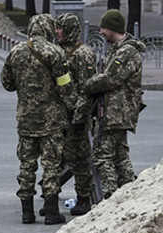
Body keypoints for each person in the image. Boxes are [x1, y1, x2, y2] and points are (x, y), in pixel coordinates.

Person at [0, 14, 73, 225]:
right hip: (52, 121)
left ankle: (27, 212)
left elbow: (7, 83)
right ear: (49, 28)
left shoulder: (16, 52)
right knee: (51, 165)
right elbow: (65, 86)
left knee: (26, 164)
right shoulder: (55, 52)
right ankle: (51, 211)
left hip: (26, 119)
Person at [84, 9, 145, 200]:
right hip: (117, 112)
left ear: (113, 28)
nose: (101, 32)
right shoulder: (119, 49)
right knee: (120, 157)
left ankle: (111, 199)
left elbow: (110, 79)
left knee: (103, 157)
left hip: (114, 113)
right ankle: (129, 197)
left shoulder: (126, 51)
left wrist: (86, 85)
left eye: (103, 28)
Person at [56, 13, 99, 217]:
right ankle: (50, 198)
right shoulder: (59, 51)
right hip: (59, 116)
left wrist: (80, 117)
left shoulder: (83, 54)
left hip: (76, 117)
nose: (57, 32)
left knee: (79, 158)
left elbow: (86, 88)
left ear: (71, 29)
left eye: (61, 28)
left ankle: (83, 197)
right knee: (57, 158)